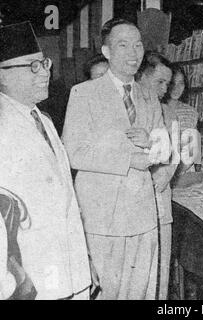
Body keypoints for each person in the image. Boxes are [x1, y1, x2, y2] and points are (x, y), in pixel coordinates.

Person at [62, 18, 170, 300]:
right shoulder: (83, 93)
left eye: (138, 46)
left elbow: (163, 149)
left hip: (143, 217)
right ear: (107, 52)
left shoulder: (149, 95)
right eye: (123, 45)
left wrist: (154, 143)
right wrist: (128, 158)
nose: (134, 53)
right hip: (103, 220)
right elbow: (73, 152)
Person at [0, 21, 91, 299]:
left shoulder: (44, 119)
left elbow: (66, 200)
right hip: (30, 279)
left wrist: (83, 262)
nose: (45, 73)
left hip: (68, 270)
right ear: (2, 75)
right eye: (32, 66)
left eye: (44, 63)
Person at [135, 51, 177, 300]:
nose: (165, 89)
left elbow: (176, 154)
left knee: (160, 273)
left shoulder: (167, 113)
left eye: (167, 84)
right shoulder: (125, 106)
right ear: (142, 76)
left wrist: (167, 173)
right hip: (132, 207)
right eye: (160, 82)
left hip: (160, 204)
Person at [161, 64, 199, 177]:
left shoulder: (191, 112)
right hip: (160, 171)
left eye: (181, 83)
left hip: (184, 172)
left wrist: (179, 171)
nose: (177, 88)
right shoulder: (156, 108)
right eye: (173, 83)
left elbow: (193, 148)